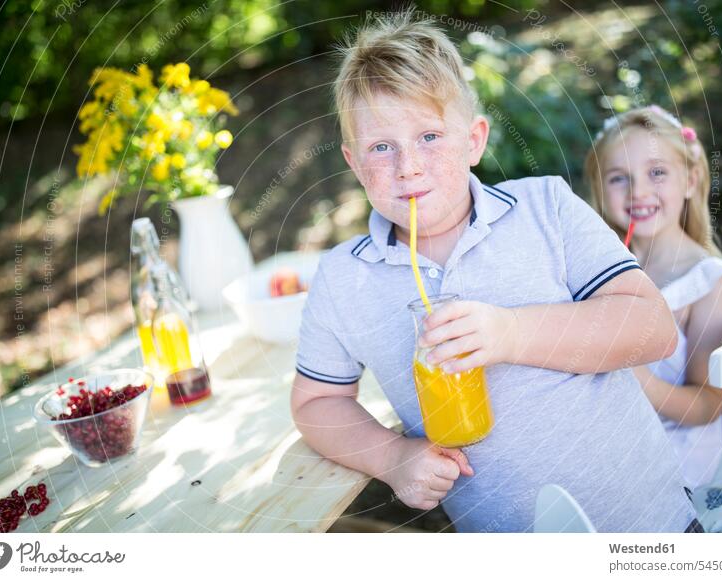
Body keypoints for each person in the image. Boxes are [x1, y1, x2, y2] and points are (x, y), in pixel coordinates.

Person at [291, 10, 699, 532]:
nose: (408, 165)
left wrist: (510, 331)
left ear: (475, 140)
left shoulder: (546, 209)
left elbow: (653, 329)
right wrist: (391, 458)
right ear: (353, 162)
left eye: (431, 137)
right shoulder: (343, 278)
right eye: (381, 147)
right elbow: (317, 402)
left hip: (650, 526)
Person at [584, 105, 722, 489]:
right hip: (610, 437)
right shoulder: (600, 267)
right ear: (599, 189)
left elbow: (708, 405)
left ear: (691, 180)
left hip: (672, 457)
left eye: (657, 173)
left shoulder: (709, 283)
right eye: (618, 178)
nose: (638, 191)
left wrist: (633, 375)